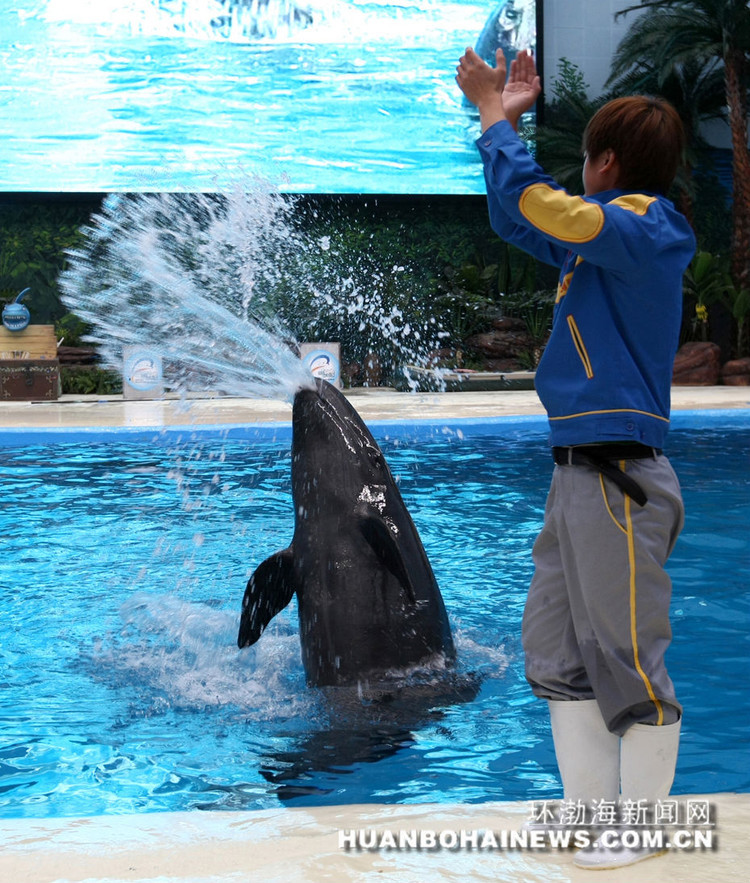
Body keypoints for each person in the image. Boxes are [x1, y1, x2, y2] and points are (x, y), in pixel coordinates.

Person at [455, 47, 696, 869]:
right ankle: (590, 819)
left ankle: (643, 831)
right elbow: (518, 214)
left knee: (628, 658)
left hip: (620, 474)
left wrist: (492, 113)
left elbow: (551, 209)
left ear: (607, 163)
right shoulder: (600, 243)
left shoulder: (648, 229)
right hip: (576, 472)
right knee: (557, 654)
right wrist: (504, 125)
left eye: (585, 159)